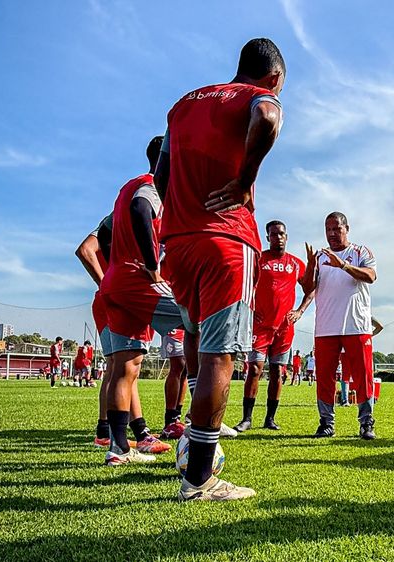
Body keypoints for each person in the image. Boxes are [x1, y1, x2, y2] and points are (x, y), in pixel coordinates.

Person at [155, 38, 286, 501]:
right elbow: (268, 118)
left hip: (178, 239)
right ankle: (199, 477)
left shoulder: (183, 104)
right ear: (274, 78)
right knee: (219, 355)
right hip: (226, 239)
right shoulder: (258, 97)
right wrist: (245, 181)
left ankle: (193, 441)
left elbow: (161, 171)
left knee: (195, 342)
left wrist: (179, 210)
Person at [99, 135, 181, 466]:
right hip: (137, 282)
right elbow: (141, 209)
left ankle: (119, 449)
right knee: (204, 315)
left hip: (116, 284)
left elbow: (104, 233)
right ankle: (198, 427)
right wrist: (151, 266)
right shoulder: (151, 186)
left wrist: (114, 264)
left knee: (126, 366)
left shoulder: (125, 187)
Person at [303, 211, 378, 439]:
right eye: (328, 229)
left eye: (337, 229)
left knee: (362, 376)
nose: (332, 234)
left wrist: (343, 265)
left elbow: (371, 276)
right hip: (326, 327)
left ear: (347, 229)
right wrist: (309, 265)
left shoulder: (360, 252)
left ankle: (366, 423)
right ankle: (326, 423)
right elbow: (308, 288)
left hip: (357, 325)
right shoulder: (319, 257)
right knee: (324, 377)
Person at [233, 220, 313, 432]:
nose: (278, 237)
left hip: (285, 328)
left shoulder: (295, 263)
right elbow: (242, 284)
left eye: (282, 234)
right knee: (255, 370)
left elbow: (311, 289)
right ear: (267, 237)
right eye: (274, 234)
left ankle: (270, 419)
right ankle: (246, 418)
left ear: (287, 236)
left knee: (278, 372)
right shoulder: (258, 259)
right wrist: (249, 310)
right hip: (259, 327)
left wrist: (299, 311)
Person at [159, 328, 188, 439]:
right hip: (173, 324)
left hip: (188, 323)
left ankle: (176, 417)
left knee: (185, 369)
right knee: (178, 365)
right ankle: (170, 420)